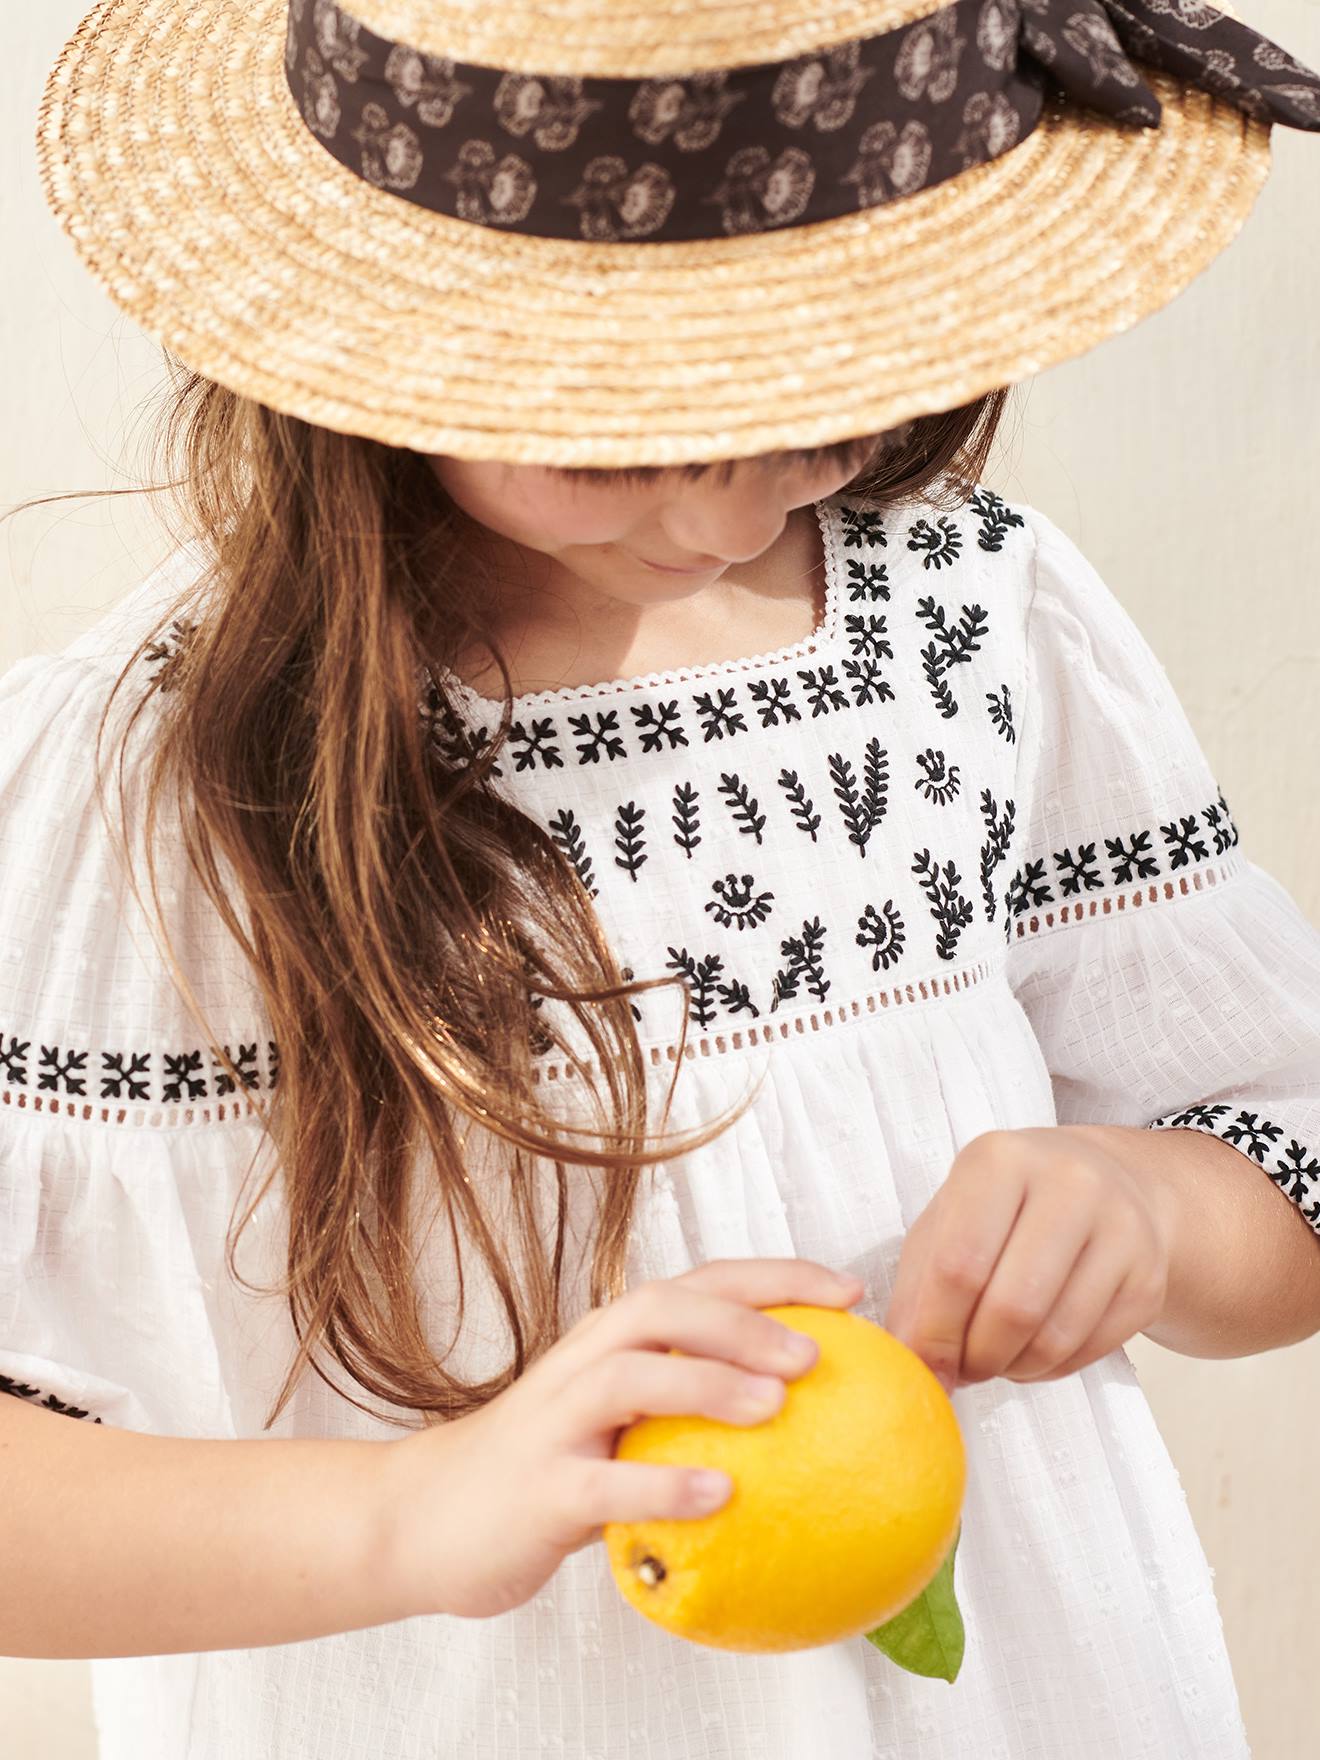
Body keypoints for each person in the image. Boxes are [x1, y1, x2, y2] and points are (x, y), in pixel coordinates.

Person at [4, 0, 1320, 1755]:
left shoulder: (968, 617)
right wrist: (425, 1514)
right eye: (619, 437)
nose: (718, 522)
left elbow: (1282, 1153)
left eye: (824, 418)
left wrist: (1146, 1216)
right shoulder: (154, 782)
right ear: (393, 335)